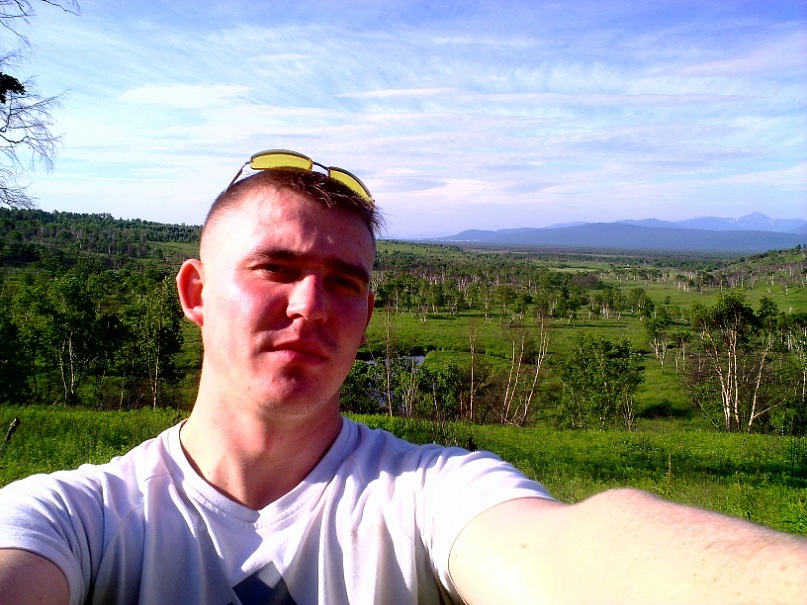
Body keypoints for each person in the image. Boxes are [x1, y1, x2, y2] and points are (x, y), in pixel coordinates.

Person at [0, 149, 805, 605]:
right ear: (195, 292)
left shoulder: (429, 495)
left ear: (367, 314)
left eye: (344, 282)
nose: (312, 304)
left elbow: (575, 550)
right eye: (275, 267)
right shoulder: (77, 517)